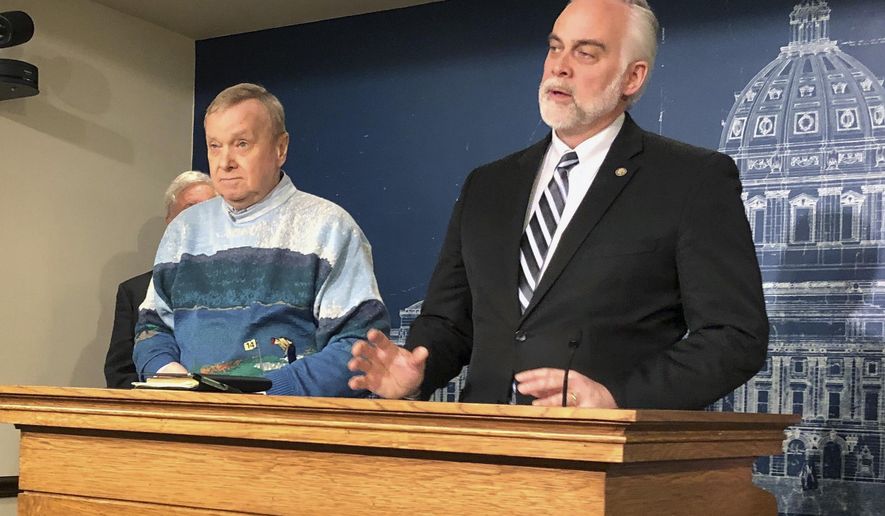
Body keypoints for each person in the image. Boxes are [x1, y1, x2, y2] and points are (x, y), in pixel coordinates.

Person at [348, 0, 768, 409]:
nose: (559, 66)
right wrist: (417, 369)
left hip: (601, 454)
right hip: (482, 449)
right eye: (555, 47)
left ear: (632, 78)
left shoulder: (690, 179)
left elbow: (733, 337)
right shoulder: (488, 184)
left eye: (585, 53)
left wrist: (616, 398)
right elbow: (448, 321)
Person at [134, 83, 389, 396]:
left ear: (280, 149)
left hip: (290, 427)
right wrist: (173, 379)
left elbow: (359, 346)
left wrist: (268, 393)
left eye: (241, 144)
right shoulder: (184, 230)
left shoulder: (329, 226)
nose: (224, 161)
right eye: (215, 146)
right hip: (194, 421)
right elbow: (152, 327)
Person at [104, 171, 217, 388]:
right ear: (170, 221)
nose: (201, 218)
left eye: (211, 209)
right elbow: (120, 374)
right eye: (191, 209)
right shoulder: (135, 291)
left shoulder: (242, 284)